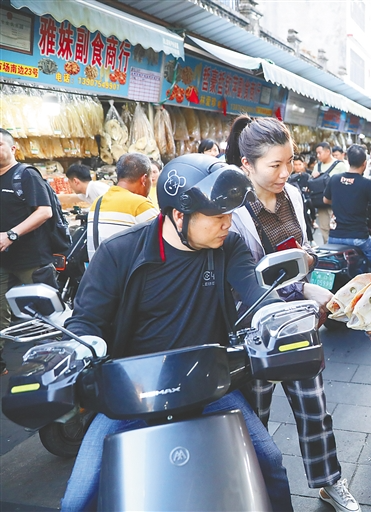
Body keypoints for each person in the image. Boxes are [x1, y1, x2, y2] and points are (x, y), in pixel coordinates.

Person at [60, 154, 293, 512]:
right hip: (129, 394)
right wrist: (83, 347)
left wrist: (278, 314)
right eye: (217, 217)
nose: (227, 225)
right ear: (179, 215)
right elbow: (85, 321)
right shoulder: (119, 253)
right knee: (77, 498)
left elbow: (254, 288)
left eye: (229, 216)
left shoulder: (227, 247)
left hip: (209, 386)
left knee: (271, 463)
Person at [226, 116, 360, 512]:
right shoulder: (234, 209)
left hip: (298, 318)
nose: (287, 172)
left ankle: (329, 482)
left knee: (314, 409)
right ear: (247, 164)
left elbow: (298, 256)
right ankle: (254, 490)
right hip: (253, 326)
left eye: (291, 162)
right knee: (256, 415)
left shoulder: (295, 197)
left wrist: (310, 288)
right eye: (275, 166)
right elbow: (240, 277)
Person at [0, 128, 57, 373]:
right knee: (1, 312)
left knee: (44, 314)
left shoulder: (25, 175)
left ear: (13, 148)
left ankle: (53, 363)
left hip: (31, 259)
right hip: (3, 260)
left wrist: (12, 234)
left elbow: (45, 211)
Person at [324, 144, 371, 270]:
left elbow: (325, 200)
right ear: (364, 163)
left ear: (348, 161)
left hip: (334, 237)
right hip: (358, 237)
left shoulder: (335, 179)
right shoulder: (366, 184)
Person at [86, 153, 159, 260]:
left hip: (100, 273)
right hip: (128, 275)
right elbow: (163, 243)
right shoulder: (140, 204)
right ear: (144, 179)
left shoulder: (97, 202)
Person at [310, 142, 349, 244]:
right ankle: (328, 250)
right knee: (324, 228)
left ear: (328, 151)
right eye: (316, 153)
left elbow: (347, 183)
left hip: (337, 204)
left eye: (320, 153)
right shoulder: (317, 166)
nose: (318, 156)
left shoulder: (340, 165)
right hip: (321, 203)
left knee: (338, 228)